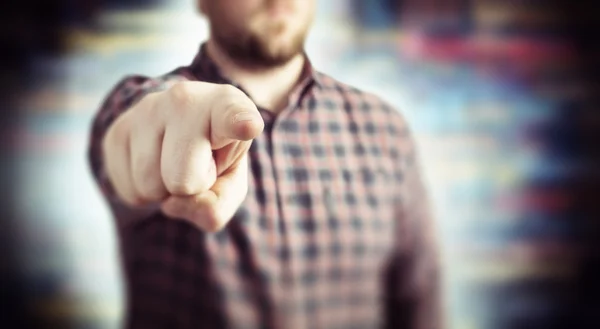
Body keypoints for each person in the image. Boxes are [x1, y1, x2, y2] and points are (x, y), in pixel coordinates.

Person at [88, 0, 442, 328]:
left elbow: (419, 299)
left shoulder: (384, 128)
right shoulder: (147, 104)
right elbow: (130, 127)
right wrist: (152, 125)